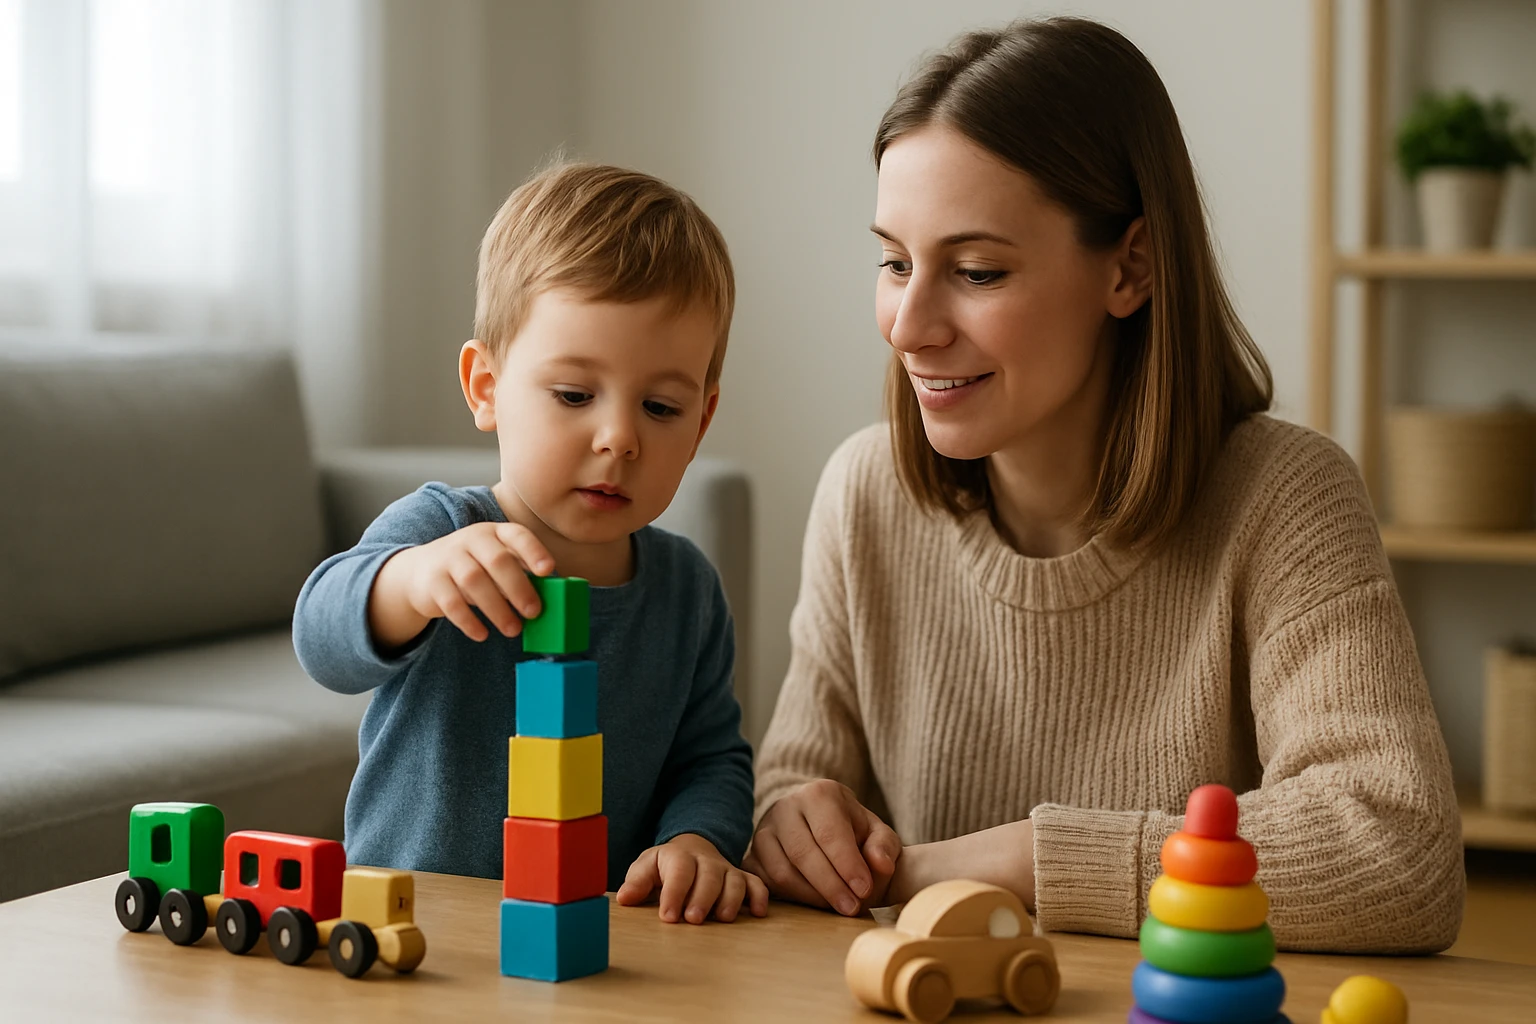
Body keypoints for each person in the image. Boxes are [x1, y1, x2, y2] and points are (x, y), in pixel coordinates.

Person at [747, 18, 1463, 953]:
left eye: (975, 271)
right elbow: (786, 795)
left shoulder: (1288, 499)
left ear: (1130, 267)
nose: (909, 325)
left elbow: (1398, 854)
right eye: (893, 262)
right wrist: (794, 823)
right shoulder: (863, 495)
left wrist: (1030, 864)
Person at [294, 162, 766, 925]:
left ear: (702, 422)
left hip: (593, 938)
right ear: (486, 388)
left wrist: (699, 840)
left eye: (661, 406)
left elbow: (711, 758)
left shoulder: (687, 590)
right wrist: (412, 582)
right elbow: (321, 637)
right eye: (575, 395)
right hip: (415, 930)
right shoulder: (442, 535)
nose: (618, 438)